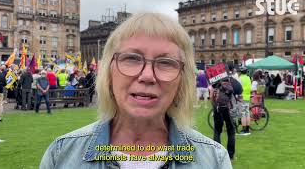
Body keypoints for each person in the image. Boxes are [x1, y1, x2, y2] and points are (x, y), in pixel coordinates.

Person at [40, 13, 232, 168]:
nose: (147, 76)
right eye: (132, 59)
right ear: (108, 72)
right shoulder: (61, 154)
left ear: (182, 80)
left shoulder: (214, 160)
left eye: (166, 63)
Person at [211, 76, 242, 161]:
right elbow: (238, 98)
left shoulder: (216, 85)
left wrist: (214, 107)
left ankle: (217, 154)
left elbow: (212, 97)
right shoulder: (233, 84)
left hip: (217, 109)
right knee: (231, 131)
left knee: (217, 131)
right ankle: (230, 155)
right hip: (228, 110)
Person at [238, 67, 252, 135]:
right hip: (247, 97)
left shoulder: (240, 78)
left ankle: (244, 129)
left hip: (242, 97)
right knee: (247, 113)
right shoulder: (248, 78)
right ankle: (248, 129)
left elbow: (238, 88)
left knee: (243, 113)